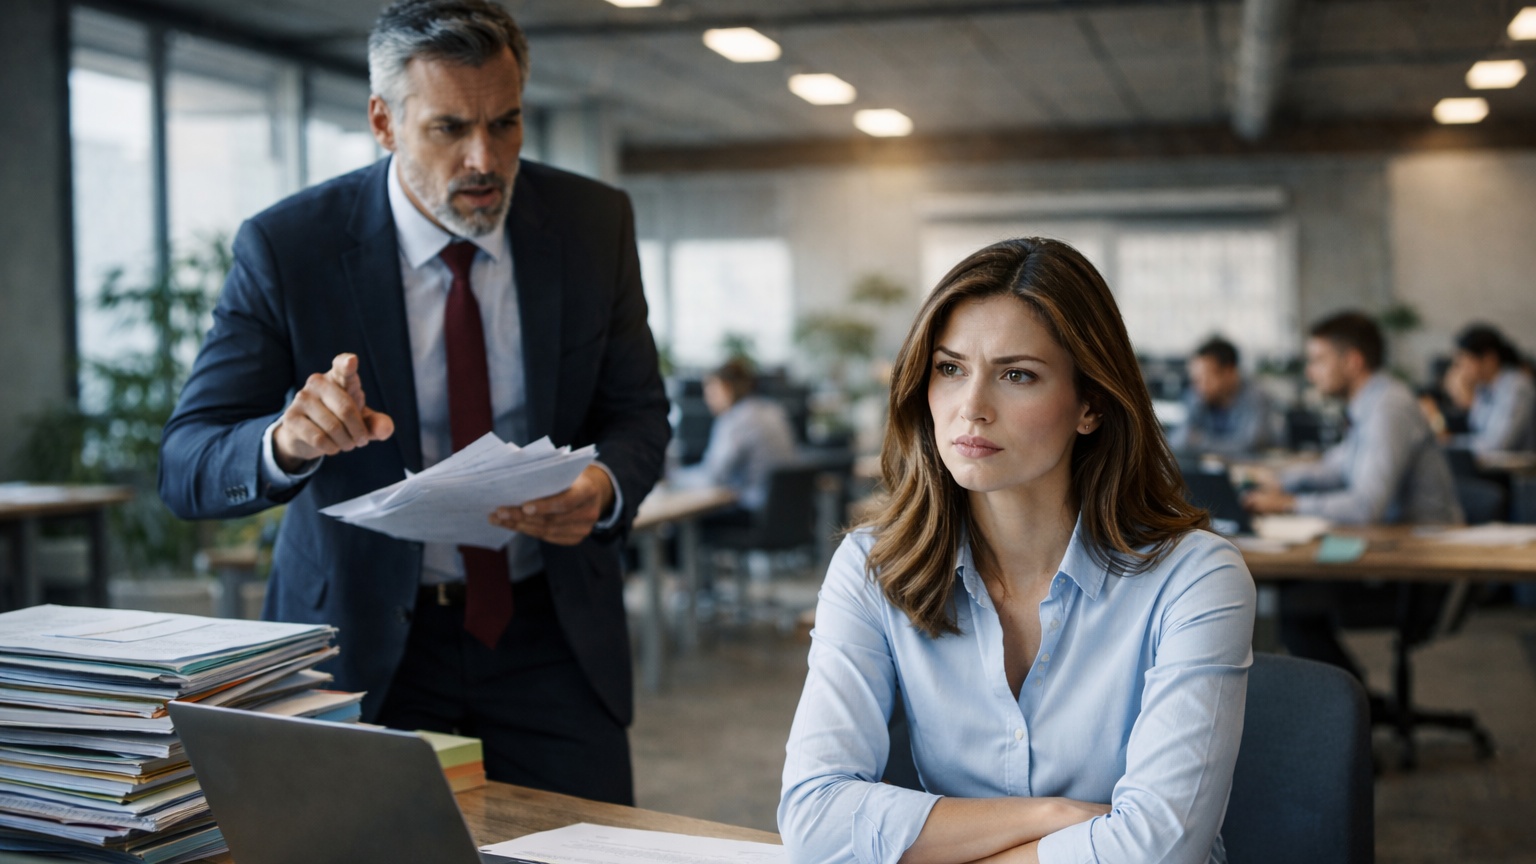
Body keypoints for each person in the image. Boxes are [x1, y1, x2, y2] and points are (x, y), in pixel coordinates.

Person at [158, 0, 669, 806]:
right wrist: (285, 443)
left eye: (506, 124)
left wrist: (603, 490)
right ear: (383, 121)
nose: (484, 158)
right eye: (448, 129)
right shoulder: (290, 247)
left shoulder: (591, 223)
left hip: (551, 632)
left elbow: (639, 412)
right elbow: (187, 463)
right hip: (359, 639)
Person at [778, 238, 1255, 864]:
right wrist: (1054, 818)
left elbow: (1154, 853)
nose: (971, 408)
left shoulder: (1195, 577)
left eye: (1017, 375)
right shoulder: (874, 566)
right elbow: (813, 819)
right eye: (949, 369)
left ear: (1090, 405)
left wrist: (937, 845)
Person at [1243, 312, 1460, 683]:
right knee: (1295, 595)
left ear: (1353, 361)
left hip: (1420, 570)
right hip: (1389, 550)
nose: (1312, 372)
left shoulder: (1388, 408)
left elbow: (1365, 506)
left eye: (1319, 360)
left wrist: (1289, 504)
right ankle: (1354, 704)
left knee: (1297, 604)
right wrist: (1279, 481)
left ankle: (1353, 708)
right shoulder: (1370, 404)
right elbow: (1335, 466)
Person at [673, 358, 797, 516]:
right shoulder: (773, 410)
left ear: (726, 388)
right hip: (782, 513)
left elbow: (714, 476)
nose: (707, 399)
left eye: (711, 391)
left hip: (751, 514)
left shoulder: (735, 420)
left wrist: (674, 477)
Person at [1168, 335, 1276, 457]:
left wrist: (1200, 442)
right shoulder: (1197, 396)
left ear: (1229, 372)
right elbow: (1176, 441)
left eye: (1206, 378)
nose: (1198, 386)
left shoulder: (1257, 398)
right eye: (1196, 379)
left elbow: (1250, 446)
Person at [1445, 323, 1536, 453]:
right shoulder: (1484, 387)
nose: (1461, 370)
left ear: (1489, 359)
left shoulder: (1517, 388)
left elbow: (1499, 444)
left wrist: (1451, 443)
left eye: (1465, 362)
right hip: (1491, 469)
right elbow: (1479, 434)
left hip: (1517, 471)